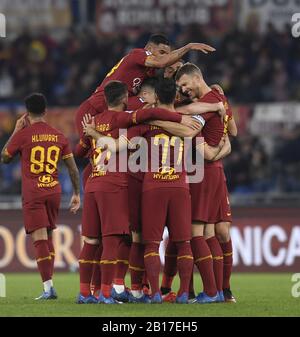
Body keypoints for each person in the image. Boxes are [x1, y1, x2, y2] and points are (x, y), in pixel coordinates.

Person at [1, 93, 80, 300]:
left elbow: (5, 158)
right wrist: (77, 193)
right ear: (45, 111)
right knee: (49, 236)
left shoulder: (24, 134)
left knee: (39, 239)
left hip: (34, 192)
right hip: (54, 191)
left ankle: (48, 288)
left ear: (26, 113)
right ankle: (50, 283)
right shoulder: (59, 135)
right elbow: (72, 169)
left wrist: (16, 130)